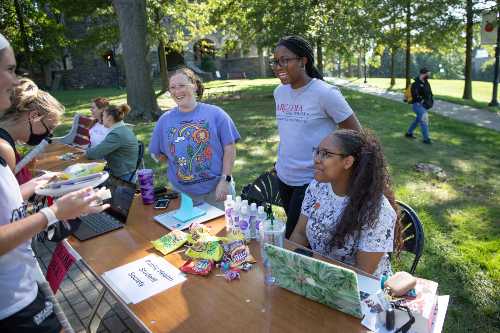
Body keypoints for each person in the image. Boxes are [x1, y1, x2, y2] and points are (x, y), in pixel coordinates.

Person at [0, 33, 108, 333]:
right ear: (34, 116)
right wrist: (53, 213)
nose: (14, 79)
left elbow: (6, 207)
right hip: (12, 305)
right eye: (10, 69)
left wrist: (35, 187)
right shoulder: (4, 148)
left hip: (20, 293)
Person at [271, 35, 362, 238]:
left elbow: (355, 134)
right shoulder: (279, 92)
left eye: (285, 60)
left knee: (296, 237)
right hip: (284, 176)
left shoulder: (325, 93)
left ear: (303, 60)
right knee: (304, 236)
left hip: (312, 180)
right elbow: (291, 133)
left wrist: (339, 165)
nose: (278, 66)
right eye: (275, 61)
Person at [290, 129, 402, 278]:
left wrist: (313, 270)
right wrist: (287, 264)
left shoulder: (377, 210)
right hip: (315, 276)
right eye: (317, 152)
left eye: (326, 154)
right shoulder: (317, 187)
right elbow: (300, 233)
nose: (317, 159)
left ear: (348, 162)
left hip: (359, 289)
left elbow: (362, 273)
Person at [149, 68, 240, 209]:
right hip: (183, 195)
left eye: (181, 85)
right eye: (172, 87)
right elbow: (157, 154)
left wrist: (225, 180)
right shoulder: (164, 120)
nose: (177, 91)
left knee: (225, 230)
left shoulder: (216, 114)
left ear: (194, 86)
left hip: (217, 191)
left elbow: (230, 148)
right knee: (189, 231)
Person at [0, 77, 64, 184]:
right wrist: (40, 182)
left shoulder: (7, 142)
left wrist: (32, 175)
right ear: (34, 116)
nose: (49, 134)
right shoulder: (4, 149)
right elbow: (9, 199)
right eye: (49, 127)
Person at [86, 103, 139, 182]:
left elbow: (93, 154)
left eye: (103, 116)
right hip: (124, 172)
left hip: (122, 177)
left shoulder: (117, 134)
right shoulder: (121, 129)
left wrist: (86, 151)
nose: (102, 118)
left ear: (109, 118)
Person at [405, 68, 434, 144]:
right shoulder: (415, 84)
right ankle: (426, 138)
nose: (428, 75)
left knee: (418, 119)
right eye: (427, 74)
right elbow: (415, 96)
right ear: (422, 74)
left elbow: (429, 93)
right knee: (424, 118)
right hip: (417, 105)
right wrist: (421, 101)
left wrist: (430, 101)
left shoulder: (426, 82)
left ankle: (409, 133)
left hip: (424, 105)